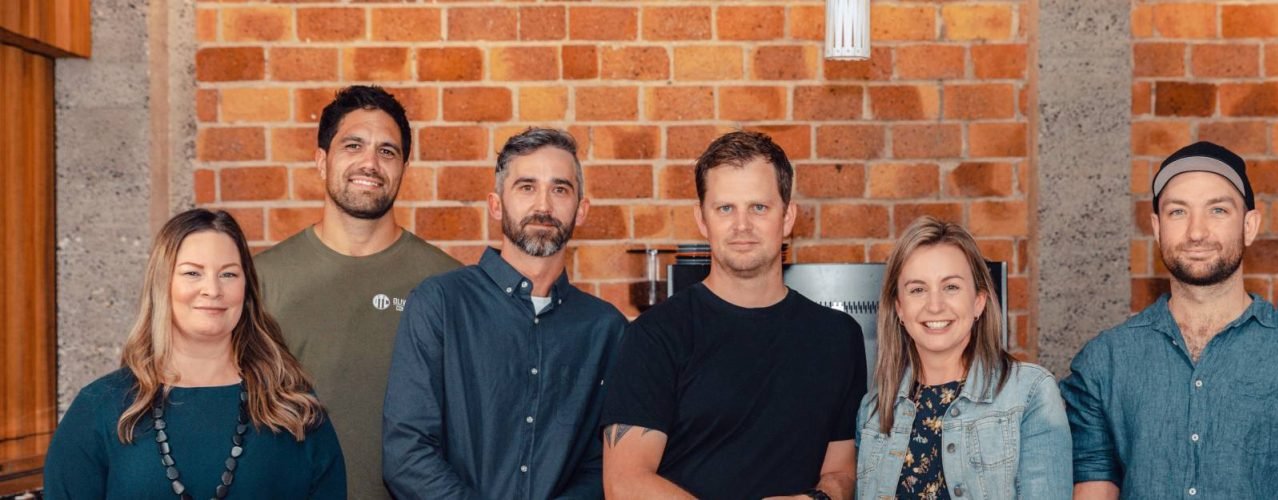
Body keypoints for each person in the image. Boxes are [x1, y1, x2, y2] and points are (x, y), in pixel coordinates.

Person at [1063, 141, 1278, 499]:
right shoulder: (1104, 363)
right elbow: (1094, 483)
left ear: (1249, 225)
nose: (1196, 232)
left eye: (1218, 210)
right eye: (1178, 212)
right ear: (1157, 228)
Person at [599, 131, 865, 500]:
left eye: (759, 207)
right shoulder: (656, 335)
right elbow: (624, 483)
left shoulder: (837, 337)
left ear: (788, 217)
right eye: (725, 208)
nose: (742, 226)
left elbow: (842, 471)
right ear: (702, 220)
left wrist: (817, 499)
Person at [383, 128, 627, 499]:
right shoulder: (441, 304)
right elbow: (407, 453)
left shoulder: (606, 330)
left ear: (581, 210)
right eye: (526, 187)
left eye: (559, 189)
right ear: (496, 205)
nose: (543, 205)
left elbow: (604, 463)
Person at [44, 208, 346, 499]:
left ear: (247, 289)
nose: (212, 289)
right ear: (162, 285)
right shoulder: (100, 409)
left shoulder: (294, 407)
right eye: (192, 273)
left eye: (228, 274)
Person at [255, 85, 459, 500]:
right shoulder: (261, 280)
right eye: (353, 145)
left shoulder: (448, 284)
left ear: (404, 166)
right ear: (321, 160)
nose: (370, 162)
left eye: (388, 151)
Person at [855, 217, 1073, 498]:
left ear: (978, 302)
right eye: (918, 290)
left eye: (951, 287)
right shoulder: (873, 410)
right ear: (899, 309)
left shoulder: (1030, 393)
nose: (935, 305)